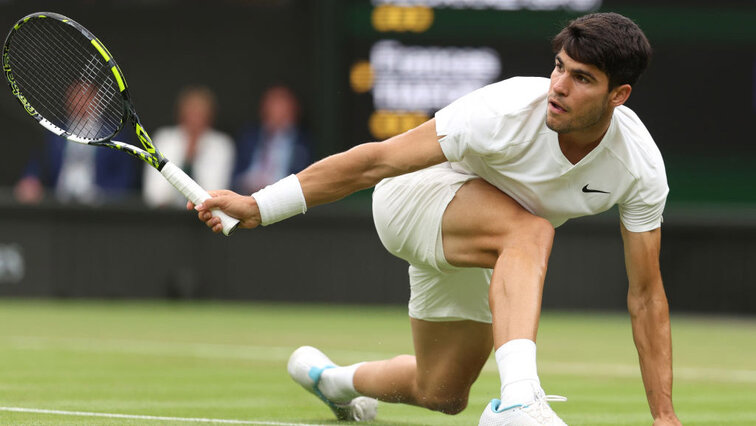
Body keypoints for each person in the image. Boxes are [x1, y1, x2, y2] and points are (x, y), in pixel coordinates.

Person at [192, 13, 681, 426]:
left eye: (582, 78)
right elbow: (375, 162)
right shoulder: (504, 109)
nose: (559, 86)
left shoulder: (639, 167)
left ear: (618, 96)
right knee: (532, 230)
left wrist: (663, 417)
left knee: (443, 391)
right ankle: (519, 399)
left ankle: (331, 381)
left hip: (485, 242)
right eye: (559, 67)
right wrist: (259, 206)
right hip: (412, 199)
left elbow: (646, 296)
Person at [14, 82, 139, 205]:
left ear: (98, 99)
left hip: (100, 208)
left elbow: (125, 176)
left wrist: (106, 198)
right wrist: (30, 180)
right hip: (58, 206)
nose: (80, 101)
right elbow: (38, 164)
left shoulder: (115, 134)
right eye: (75, 96)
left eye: (86, 96)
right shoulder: (54, 132)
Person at [143, 86, 234, 208]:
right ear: (181, 114)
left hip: (206, 220)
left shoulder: (221, 145)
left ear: (210, 117)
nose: (195, 120)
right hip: (164, 218)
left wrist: (195, 157)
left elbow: (214, 197)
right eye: (191, 113)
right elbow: (155, 195)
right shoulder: (164, 139)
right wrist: (184, 157)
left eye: (200, 114)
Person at [232, 85, 311, 194]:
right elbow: (234, 176)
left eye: (281, 105)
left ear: (294, 109)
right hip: (246, 196)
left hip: (285, 200)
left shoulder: (304, 143)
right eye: (272, 104)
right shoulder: (249, 137)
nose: (276, 110)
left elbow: (306, 182)